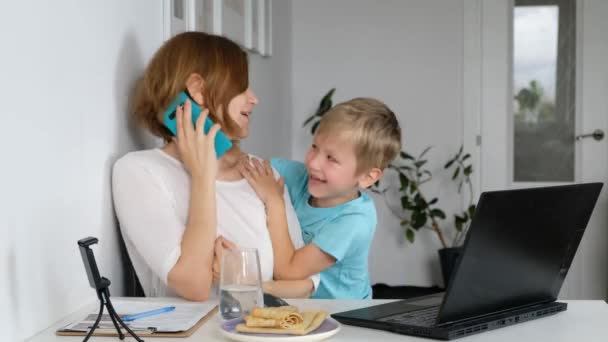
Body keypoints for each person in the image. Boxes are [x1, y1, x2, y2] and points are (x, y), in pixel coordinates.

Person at [112, 31, 317, 301]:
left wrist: (249, 284)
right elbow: (194, 286)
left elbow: (305, 286)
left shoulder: (261, 172)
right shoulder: (139, 171)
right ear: (198, 89)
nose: (254, 99)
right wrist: (202, 175)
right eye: (242, 86)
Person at [239, 98, 401, 299]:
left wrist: (274, 201)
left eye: (331, 158)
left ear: (367, 177)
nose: (314, 163)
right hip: (303, 308)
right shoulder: (298, 176)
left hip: (345, 315)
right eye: (315, 147)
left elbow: (287, 272)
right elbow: (238, 164)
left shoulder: (355, 220)